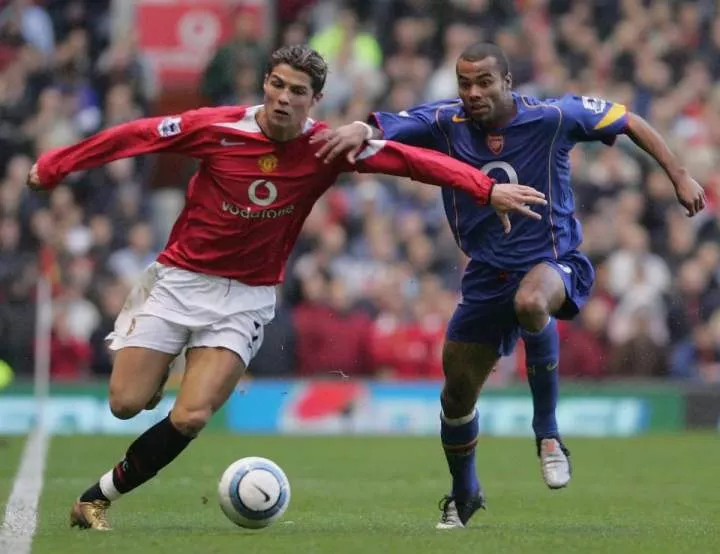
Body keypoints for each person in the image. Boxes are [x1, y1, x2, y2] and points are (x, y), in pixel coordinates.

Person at [26, 44, 546, 531]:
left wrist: (486, 188)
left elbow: (411, 162)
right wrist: (55, 165)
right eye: (276, 85)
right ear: (264, 85)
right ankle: (160, 362)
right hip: (178, 280)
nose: (282, 98)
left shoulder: (328, 146)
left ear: (315, 100)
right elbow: (136, 136)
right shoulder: (217, 126)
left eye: (297, 91)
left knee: (191, 416)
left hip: (245, 298)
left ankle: (96, 497)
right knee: (124, 403)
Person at [312, 41, 706, 529]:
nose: (473, 93)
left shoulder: (553, 116)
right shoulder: (443, 122)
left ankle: (548, 434)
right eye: (464, 83)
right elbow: (383, 127)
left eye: (484, 83)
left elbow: (628, 120)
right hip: (484, 276)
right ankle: (465, 494)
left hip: (552, 261)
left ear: (507, 83)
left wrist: (680, 175)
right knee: (456, 397)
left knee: (531, 301)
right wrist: (357, 126)